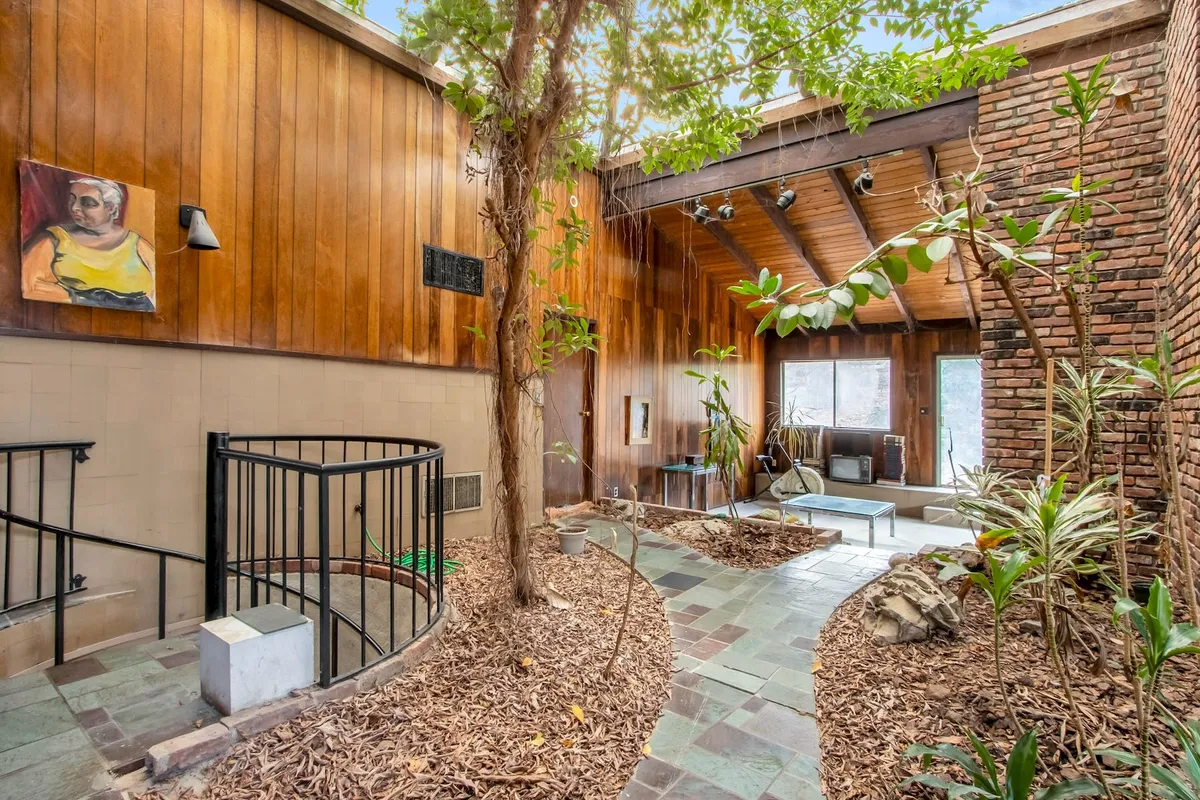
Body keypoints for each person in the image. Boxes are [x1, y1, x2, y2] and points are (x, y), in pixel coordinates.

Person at [21, 177, 155, 311]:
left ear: (111, 208)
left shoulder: (138, 244)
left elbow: (158, 294)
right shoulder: (53, 239)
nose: (74, 208)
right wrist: (80, 299)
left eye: (87, 203)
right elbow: (29, 286)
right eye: (72, 199)